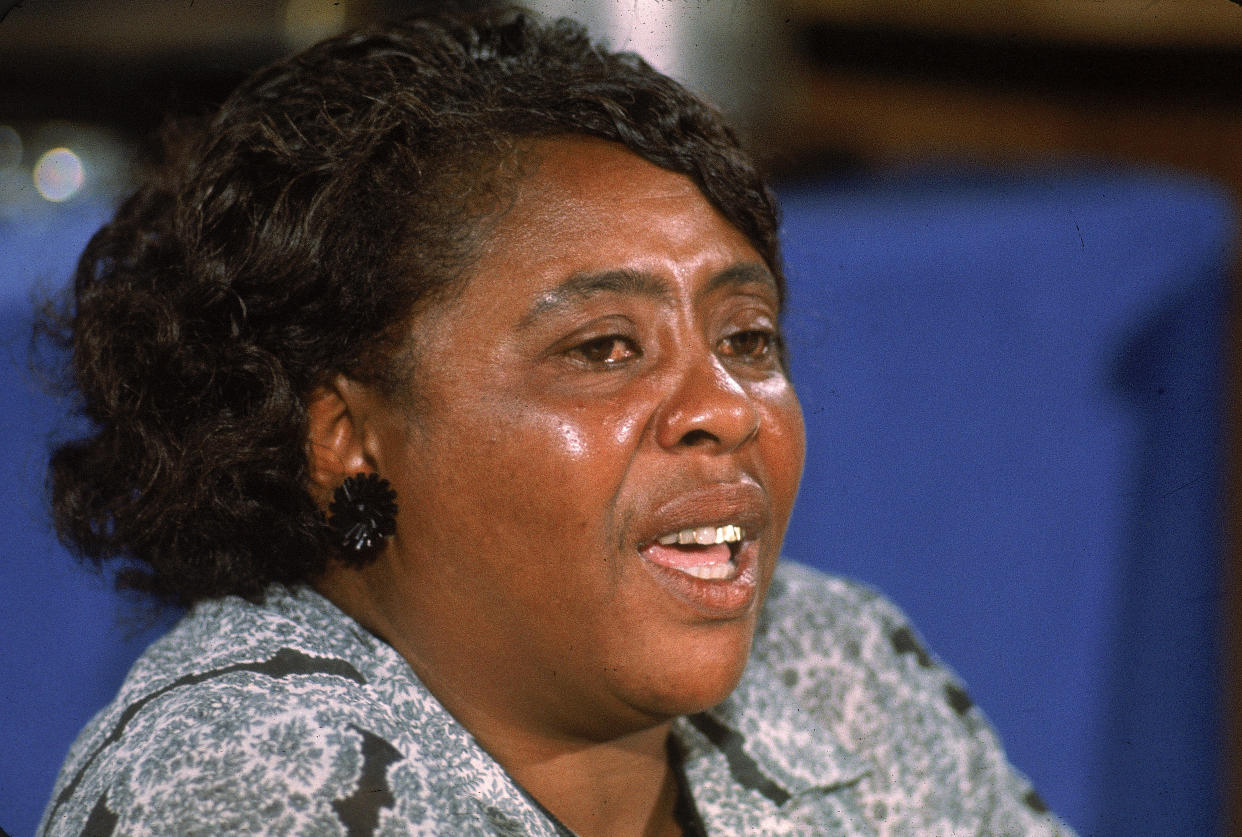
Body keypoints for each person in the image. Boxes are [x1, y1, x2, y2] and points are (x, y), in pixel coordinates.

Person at [39, 8, 1075, 836]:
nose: (725, 409)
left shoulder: (833, 661)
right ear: (347, 437)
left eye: (749, 338)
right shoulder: (254, 793)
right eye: (603, 349)